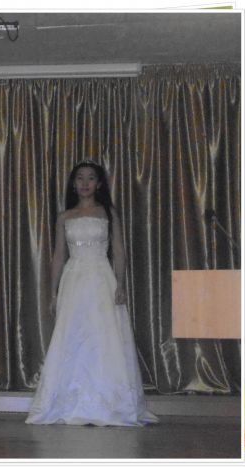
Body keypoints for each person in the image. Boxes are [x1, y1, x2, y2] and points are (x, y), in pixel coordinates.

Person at [26, 160, 158, 427]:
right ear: (73, 184)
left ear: (98, 184)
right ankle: (69, 401)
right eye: (80, 178)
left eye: (91, 178)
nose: (85, 183)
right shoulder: (64, 217)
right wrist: (53, 292)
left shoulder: (108, 213)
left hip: (101, 278)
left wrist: (120, 284)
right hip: (74, 280)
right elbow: (58, 256)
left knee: (104, 337)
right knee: (73, 336)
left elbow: (118, 251)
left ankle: (109, 403)